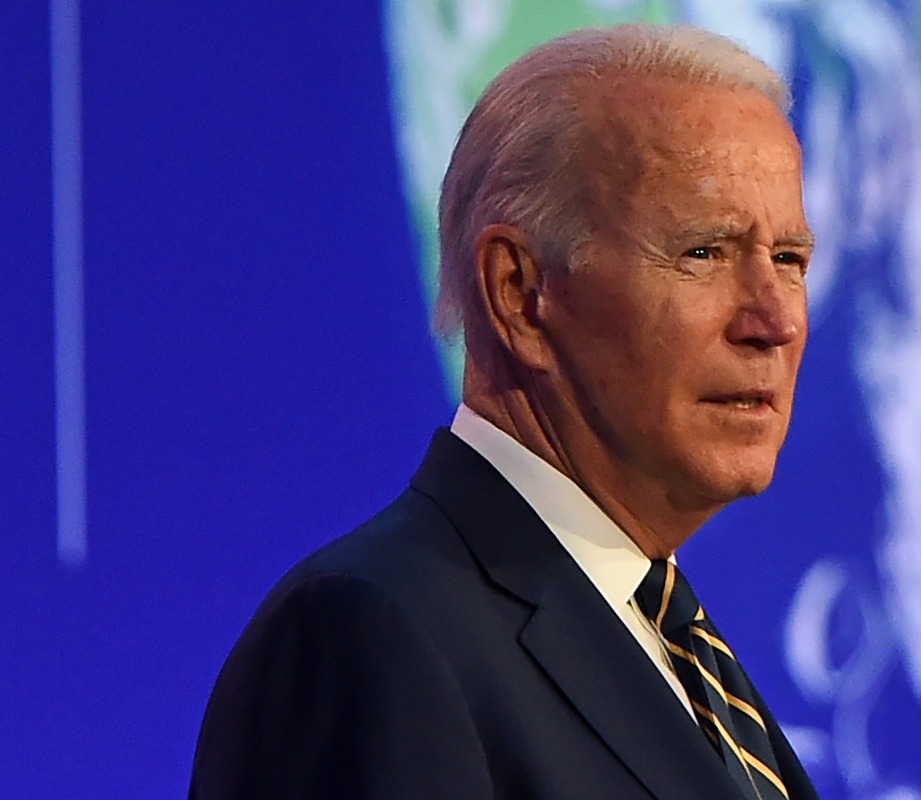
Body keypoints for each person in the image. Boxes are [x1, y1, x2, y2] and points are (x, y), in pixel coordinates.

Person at [190, 23, 820, 800]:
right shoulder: (374, 634)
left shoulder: (686, 659)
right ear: (520, 294)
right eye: (704, 252)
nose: (774, 320)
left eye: (789, 259)